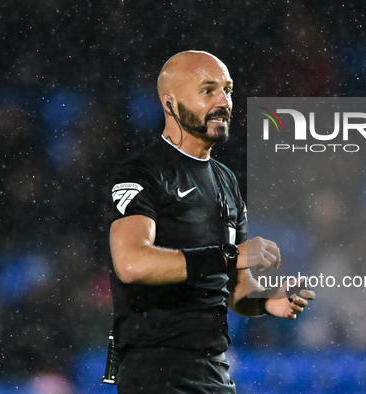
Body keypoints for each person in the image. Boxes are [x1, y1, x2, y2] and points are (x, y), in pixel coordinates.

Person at [104, 50, 316, 393]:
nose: (224, 101)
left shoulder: (226, 181)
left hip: (214, 368)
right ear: (169, 103)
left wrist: (266, 301)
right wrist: (230, 256)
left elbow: (234, 291)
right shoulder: (143, 173)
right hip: (156, 370)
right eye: (208, 91)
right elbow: (131, 262)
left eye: (228, 90)